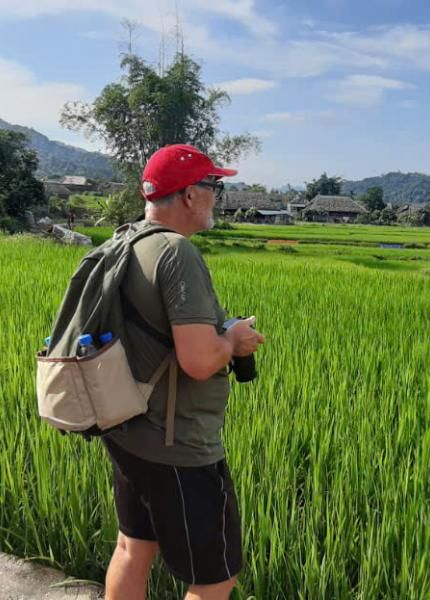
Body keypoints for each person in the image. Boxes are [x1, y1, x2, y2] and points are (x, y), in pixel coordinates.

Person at [101, 144, 265, 600]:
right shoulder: (177, 253)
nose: (217, 195)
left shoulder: (125, 240)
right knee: (215, 579)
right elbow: (198, 361)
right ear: (191, 196)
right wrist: (232, 340)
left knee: (133, 548)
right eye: (214, 186)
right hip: (178, 446)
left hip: (128, 428)